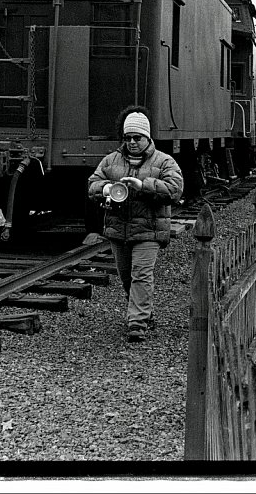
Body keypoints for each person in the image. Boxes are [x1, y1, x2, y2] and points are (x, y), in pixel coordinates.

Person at [88, 106, 184, 343]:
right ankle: (144, 312)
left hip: (149, 230)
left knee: (141, 274)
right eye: (127, 137)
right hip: (118, 229)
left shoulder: (164, 162)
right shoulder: (111, 161)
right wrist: (106, 188)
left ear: (147, 137)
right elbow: (92, 185)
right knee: (126, 277)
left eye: (137, 137)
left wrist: (144, 186)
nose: (131, 142)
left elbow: (175, 190)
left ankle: (137, 323)